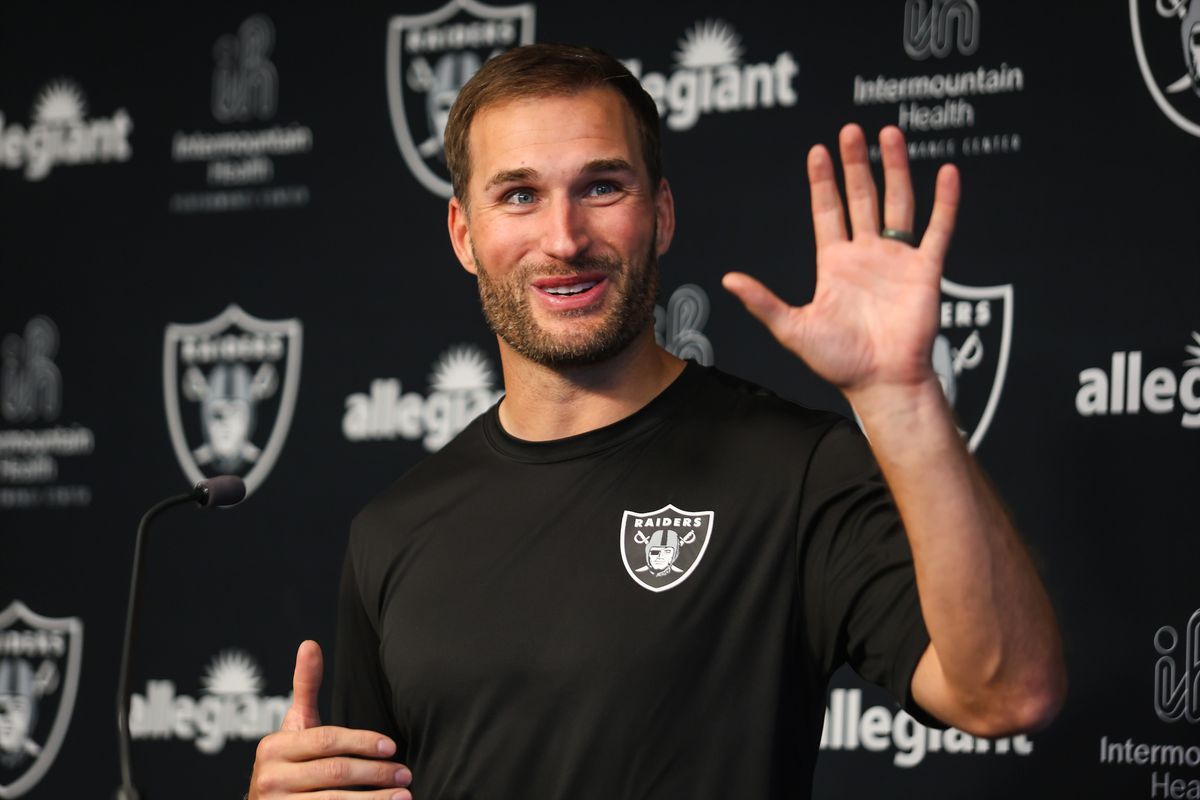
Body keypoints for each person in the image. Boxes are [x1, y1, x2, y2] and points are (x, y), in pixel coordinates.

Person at [247, 43, 1066, 799]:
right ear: (466, 233)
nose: (564, 238)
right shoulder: (393, 529)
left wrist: (904, 398)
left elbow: (1007, 691)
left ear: (662, 214)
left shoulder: (794, 469)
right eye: (520, 195)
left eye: (602, 186)